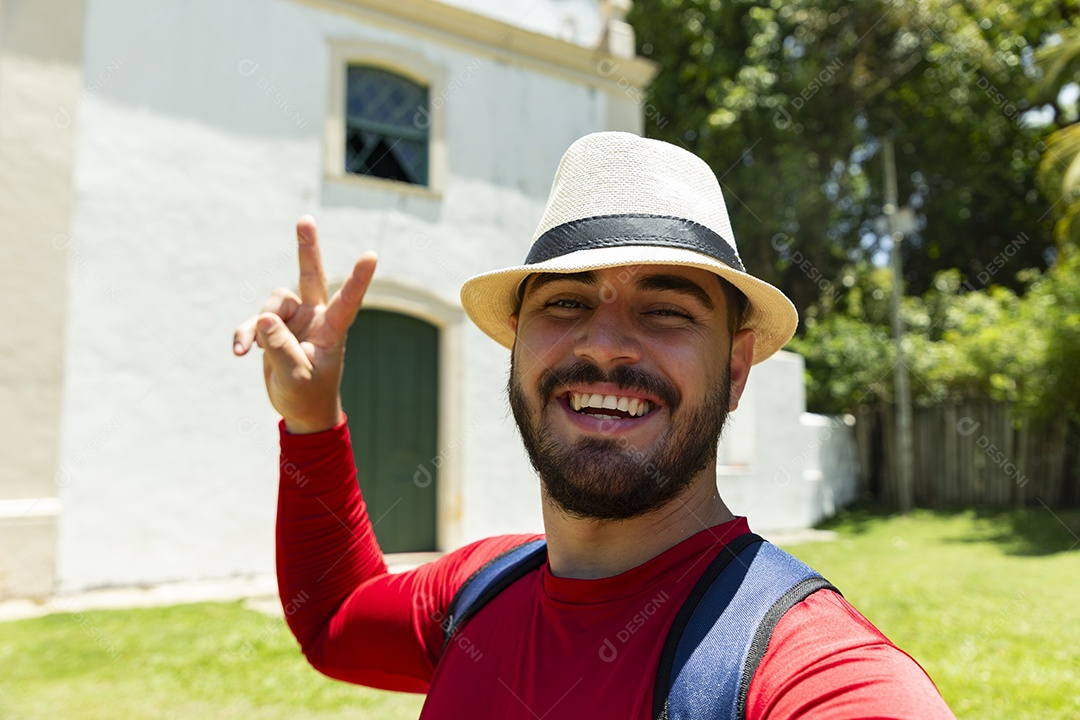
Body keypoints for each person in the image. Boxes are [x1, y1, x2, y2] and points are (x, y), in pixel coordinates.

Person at [233, 132, 955, 719]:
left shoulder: (798, 667)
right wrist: (311, 418)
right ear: (517, 344)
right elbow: (332, 618)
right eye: (567, 304)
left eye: (667, 310)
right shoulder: (479, 588)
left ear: (736, 368)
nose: (603, 343)